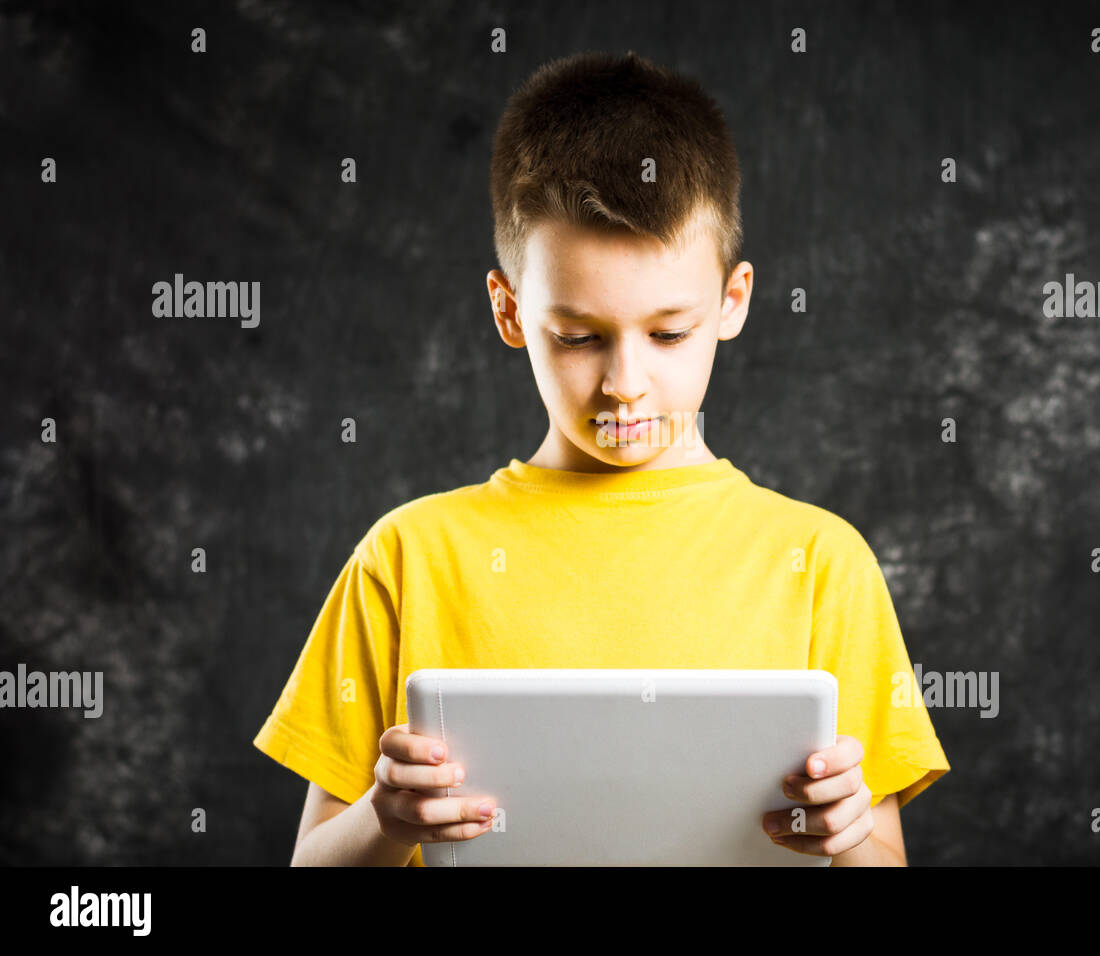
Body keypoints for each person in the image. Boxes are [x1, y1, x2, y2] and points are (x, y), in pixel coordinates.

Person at [253, 50, 949, 866]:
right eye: (578, 337)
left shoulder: (823, 566)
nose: (625, 384)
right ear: (509, 312)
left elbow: (885, 859)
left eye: (668, 333)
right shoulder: (408, 559)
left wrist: (848, 836)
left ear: (734, 301)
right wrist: (387, 817)